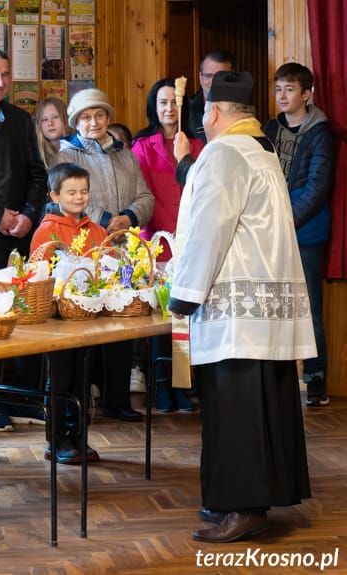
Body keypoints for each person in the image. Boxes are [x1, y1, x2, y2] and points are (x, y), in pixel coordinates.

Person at [169, 70, 313, 543]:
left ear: (213, 113)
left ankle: (241, 508)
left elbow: (210, 227)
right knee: (267, 404)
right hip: (267, 307)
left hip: (235, 311)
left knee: (235, 410)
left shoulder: (223, 153)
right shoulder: (260, 150)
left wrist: (184, 294)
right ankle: (262, 496)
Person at [55, 88, 154, 423]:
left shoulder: (125, 154)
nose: (93, 122)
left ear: (108, 118)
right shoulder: (66, 154)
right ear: (76, 123)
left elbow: (146, 195)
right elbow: (68, 196)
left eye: (98, 115)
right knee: (86, 325)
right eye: (85, 117)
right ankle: (80, 399)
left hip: (124, 248)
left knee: (122, 323)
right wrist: (103, 219)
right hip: (86, 247)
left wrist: (128, 216)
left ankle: (117, 398)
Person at [0, 46, 49, 432]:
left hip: (22, 233)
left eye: (5, 74)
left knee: (27, 316)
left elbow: (38, 173)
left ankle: (23, 398)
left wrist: (30, 215)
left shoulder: (19, 118)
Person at [263, 63, 335, 408]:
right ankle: (277, 375)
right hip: (269, 230)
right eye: (278, 89)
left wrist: (285, 219)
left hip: (305, 231)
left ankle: (316, 377)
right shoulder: (269, 129)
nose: (282, 96)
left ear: (306, 94)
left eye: (289, 90)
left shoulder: (321, 132)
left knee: (309, 308)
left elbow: (318, 186)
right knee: (273, 305)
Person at [131, 78, 204, 413]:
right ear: (153, 107)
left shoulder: (199, 146)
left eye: (173, 102)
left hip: (191, 242)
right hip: (157, 242)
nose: (168, 108)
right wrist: (157, 236)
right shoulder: (143, 145)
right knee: (161, 319)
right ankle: (161, 386)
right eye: (162, 102)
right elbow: (143, 194)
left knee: (184, 318)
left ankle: (182, 385)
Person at [32, 163, 106, 464]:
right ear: (55, 195)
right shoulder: (47, 229)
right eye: (72, 192)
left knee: (82, 378)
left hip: (87, 318)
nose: (79, 197)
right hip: (58, 320)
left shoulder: (96, 230)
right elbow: (38, 271)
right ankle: (56, 438)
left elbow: (105, 266)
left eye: (84, 191)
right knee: (60, 379)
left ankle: (79, 435)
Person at [187, 51, 235, 144]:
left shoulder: (243, 111)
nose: (214, 82)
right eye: (208, 76)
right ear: (200, 77)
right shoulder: (186, 110)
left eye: (221, 76)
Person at [34, 97, 71, 169]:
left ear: (65, 119)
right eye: (45, 119)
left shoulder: (79, 150)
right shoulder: (35, 157)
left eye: (55, 117)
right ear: (39, 126)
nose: (50, 123)